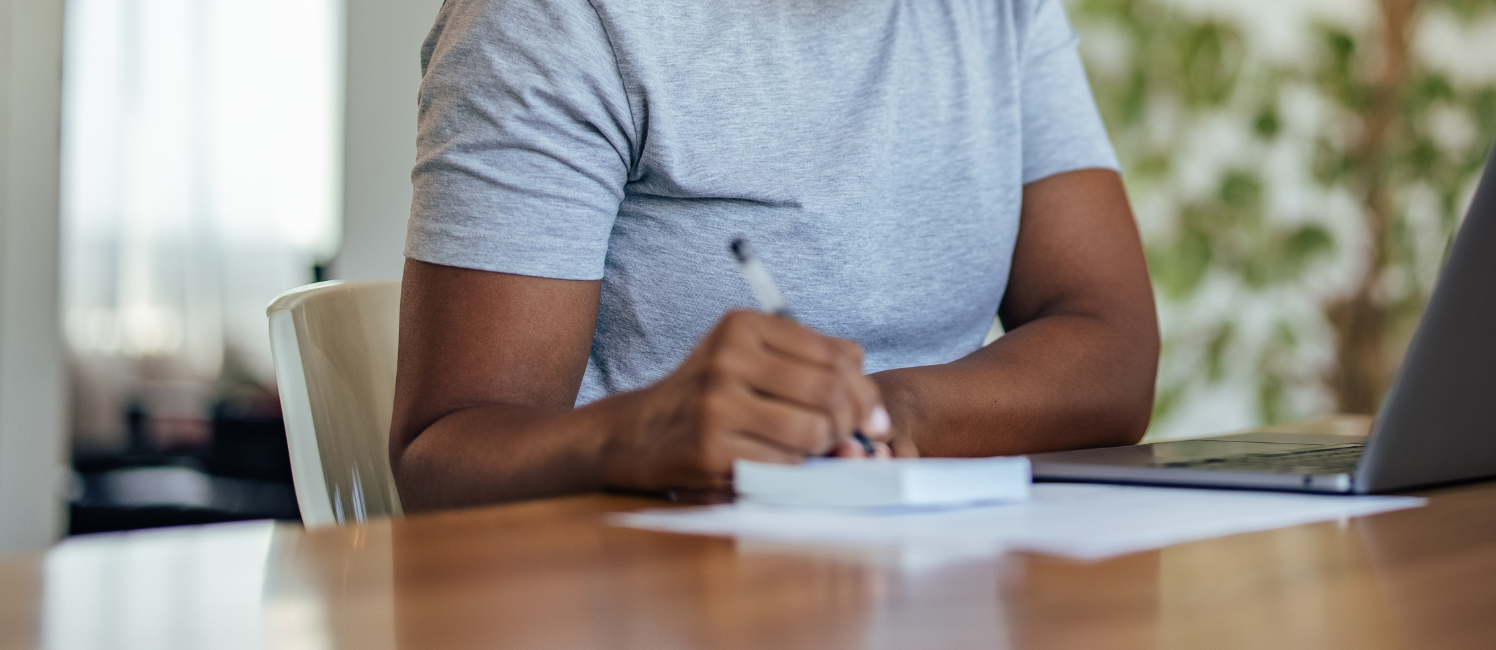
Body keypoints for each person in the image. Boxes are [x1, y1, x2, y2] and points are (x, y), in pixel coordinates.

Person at [388, 0, 1159, 511]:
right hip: (650, 589)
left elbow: (1112, 348)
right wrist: (635, 435)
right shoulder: (557, 20)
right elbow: (440, 458)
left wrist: (890, 413)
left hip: (937, 572)